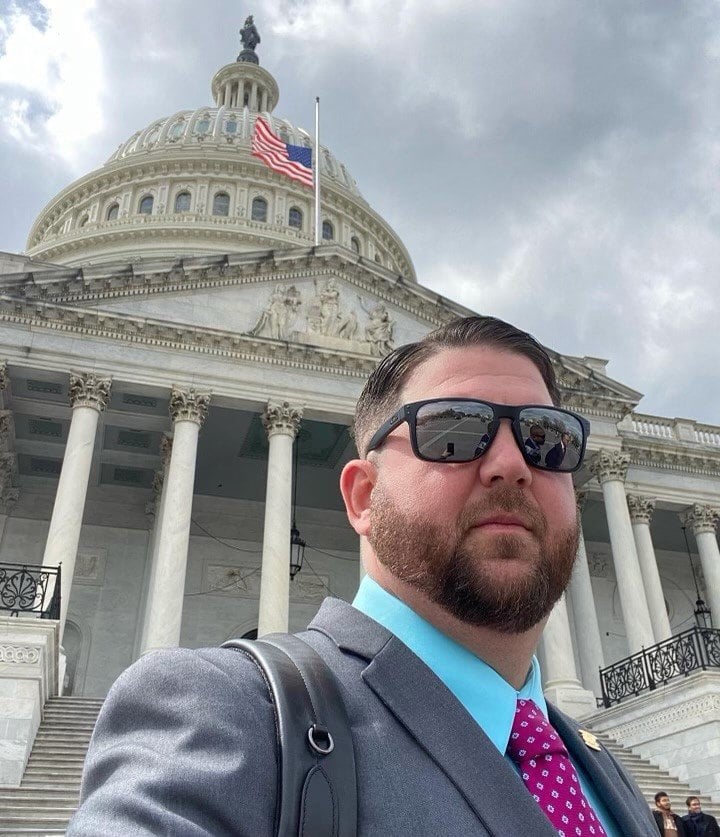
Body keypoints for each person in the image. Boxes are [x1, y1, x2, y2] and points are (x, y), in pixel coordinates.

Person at [68, 316, 658, 836]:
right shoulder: (225, 714)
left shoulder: (598, 768)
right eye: (453, 432)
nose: (512, 466)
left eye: (546, 441)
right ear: (364, 497)